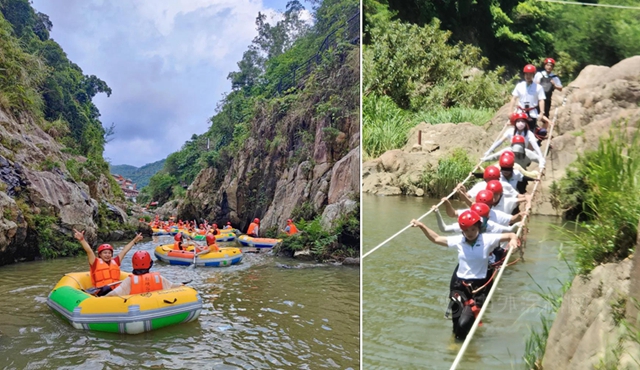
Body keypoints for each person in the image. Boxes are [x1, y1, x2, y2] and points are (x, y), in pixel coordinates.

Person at [410, 211, 519, 339]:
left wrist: (513, 240)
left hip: (479, 287)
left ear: (478, 227)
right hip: (459, 284)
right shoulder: (459, 241)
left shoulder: (488, 239)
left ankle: (460, 343)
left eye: (473, 229)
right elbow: (437, 239)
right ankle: (455, 344)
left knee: (464, 323)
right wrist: (422, 226)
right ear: (462, 230)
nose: (470, 233)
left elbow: (511, 234)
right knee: (456, 322)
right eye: (466, 230)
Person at [73, 229, 143, 296]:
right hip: (102, 291)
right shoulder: (95, 262)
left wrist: (135, 240)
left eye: (109, 253)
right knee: (107, 288)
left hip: (116, 291)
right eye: (105, 253)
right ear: (100, 254)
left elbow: (124, 251)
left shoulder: (115, 261)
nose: (107, 255)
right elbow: (89, 251)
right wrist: (82, 240)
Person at [106, 251, 183, 296]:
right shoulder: (158, 278)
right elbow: (172, 286)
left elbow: (113, 294)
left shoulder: (129, 281)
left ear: (133, 264)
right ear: (149, 264)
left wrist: (99, 297)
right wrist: (181, 284)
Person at [508, 64, 550, 133]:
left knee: (530, 132)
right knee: (518, 130)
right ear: (524, 75)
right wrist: (510, 111)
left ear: (533, 75)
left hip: (532, 113)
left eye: (530, 74)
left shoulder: (538, 87)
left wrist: (542, 112)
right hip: (520, 112)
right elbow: (514, 98)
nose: (528, 76)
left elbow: (541, 100)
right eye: (526, 74)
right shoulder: (519, 85)